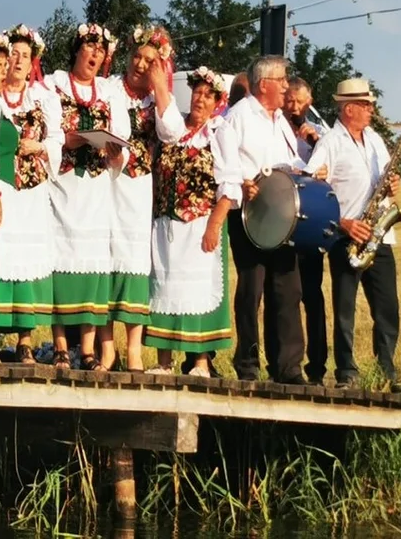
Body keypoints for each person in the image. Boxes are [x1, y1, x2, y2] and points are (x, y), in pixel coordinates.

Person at [305, 78, 401, 392]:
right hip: (346, 237)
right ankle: (347, 372)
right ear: (349, 108)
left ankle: (387, 369)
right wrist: (345, 223)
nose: (372, 109)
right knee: (345, 311)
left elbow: (388, 177)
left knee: (387, 307)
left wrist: (393, 185)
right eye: (366, 104)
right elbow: (314, 193)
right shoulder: (329, 143)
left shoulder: (375, 139)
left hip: (379, 235)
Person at [217, 55, 309, 383]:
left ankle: (287, 367)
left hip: (282, 218)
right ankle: (247, 364)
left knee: (287, 289)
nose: (287, 85)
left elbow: (291, 159)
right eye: (283, 80)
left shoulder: (280, 121)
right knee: (251, 289)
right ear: (264, 84)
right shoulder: (238, 117)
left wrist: (308, 167)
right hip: (250, 215)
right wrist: (244, 179)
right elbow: (224, 159)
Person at [144, 67, 240, 376]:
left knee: (196, 291)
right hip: (165, 223)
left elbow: (230, 184)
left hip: (199, 224)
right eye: (197, 93)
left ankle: (200, 362)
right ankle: (163, 362)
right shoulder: (173, 129)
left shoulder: (218, 132)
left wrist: (214, 225)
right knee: (165, 288)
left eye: (207, 95)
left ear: (217, 102)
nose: (200, 99)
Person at [47, 23, 130, 371]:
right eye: (89, 47)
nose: (95, 55)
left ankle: (88, 348)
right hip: (65, 186)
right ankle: (61, 345)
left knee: (92, 260)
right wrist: (72, 138)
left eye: (100, 50)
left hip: (95, 188)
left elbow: (122, 137)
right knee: (60, 257)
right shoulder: (54, 85)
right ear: (76, 50)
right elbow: (49, 132)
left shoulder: (110, 92)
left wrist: (114, 152)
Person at [106, 25, 184, 371]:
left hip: (138, 190)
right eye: (137, 56)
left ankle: (135, 350)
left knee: (136, 260)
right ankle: (108, 349)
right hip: (108, 184)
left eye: (149, 61)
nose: (139, 64)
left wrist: (162, 86)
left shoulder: (157, 100)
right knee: (106, 256)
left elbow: (173, 133)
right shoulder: (110, 89)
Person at [0, 24, 62, 362]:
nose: (19, 60)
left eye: (25, 55)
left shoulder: (43, 98)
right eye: (14, 54)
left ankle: (25, 338)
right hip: (1, 187)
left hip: (32, 188)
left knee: (27, 261)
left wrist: (38, 146)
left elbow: (58, 140)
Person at [285, 76, 328, 383]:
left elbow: (328, 172)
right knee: (286, 295)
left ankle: (318, 365)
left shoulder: (321, 135)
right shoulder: (275, 127)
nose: (294, 107)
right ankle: (287, 365)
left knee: (312, 296)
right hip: (284, 220)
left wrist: (314, 143)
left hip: (310, 222)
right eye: (290, 101)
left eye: (300, 102)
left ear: (309, 103)